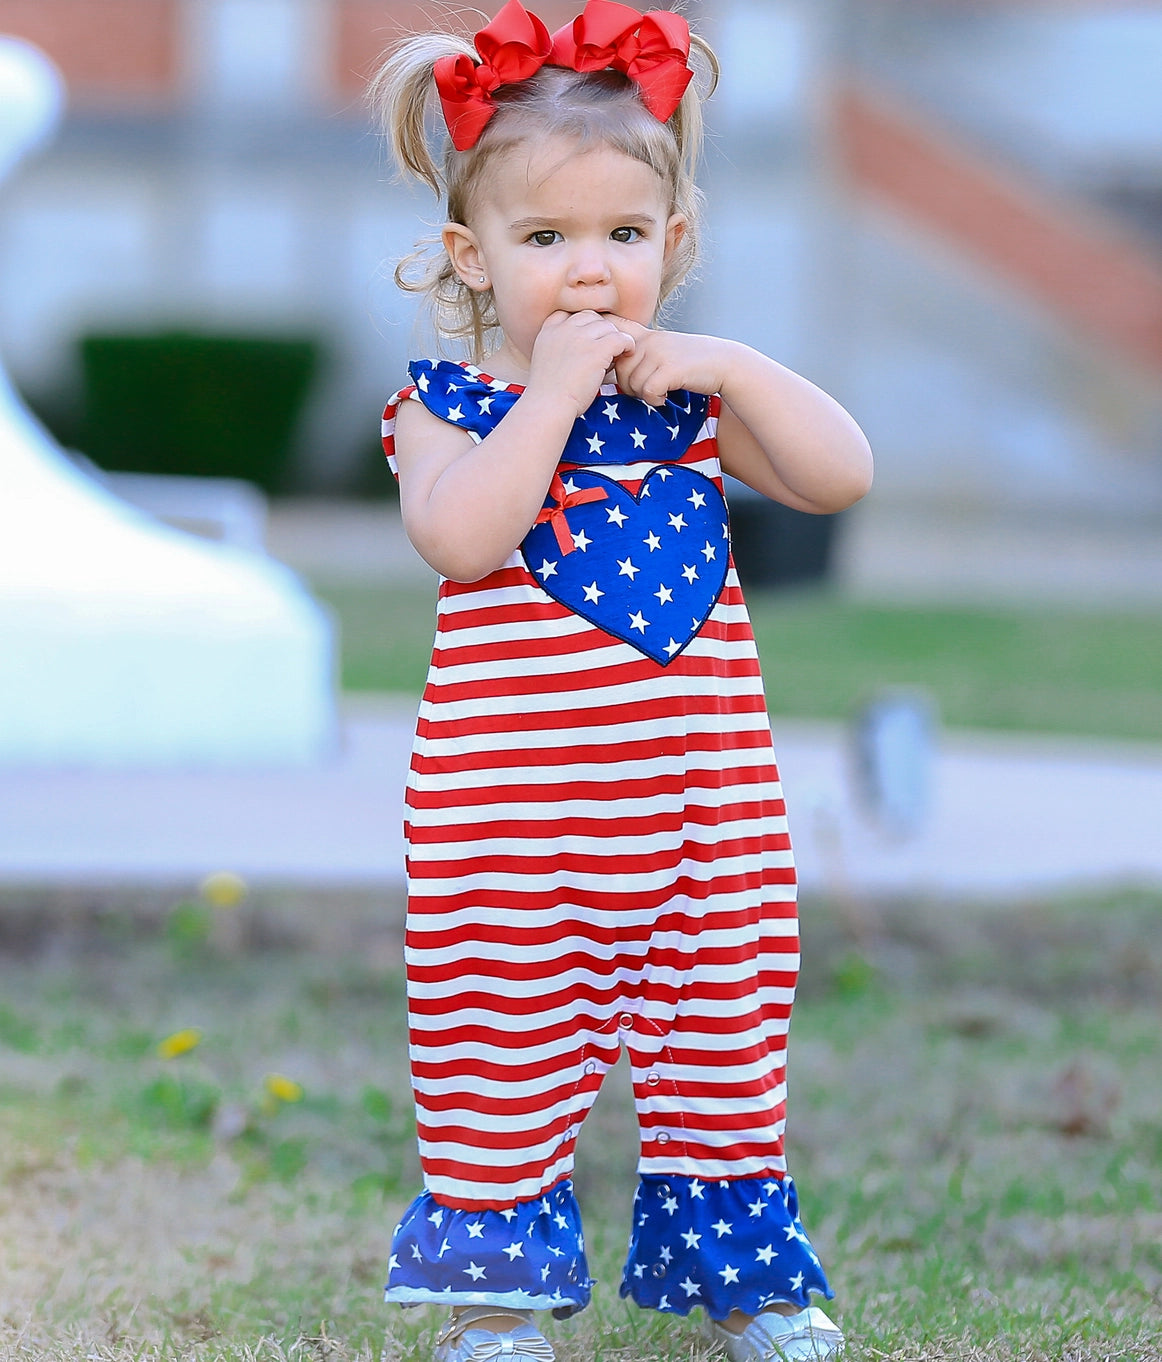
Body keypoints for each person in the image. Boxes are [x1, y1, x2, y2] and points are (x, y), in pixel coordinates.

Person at [370, 3, 872, 1359]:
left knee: (720, 1038)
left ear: (675, 244)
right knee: (500, 1049)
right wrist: (546, 397)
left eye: (621, 236)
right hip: (515, 826)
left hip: (705, 819)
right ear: (474, 258)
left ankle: (749, 1288)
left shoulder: (692, 408)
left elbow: (839, 476)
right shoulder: (448, 406)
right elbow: (459, 535)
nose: (587, 275)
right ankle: (495, 1300)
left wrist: (732, 364)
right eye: (545, 241)